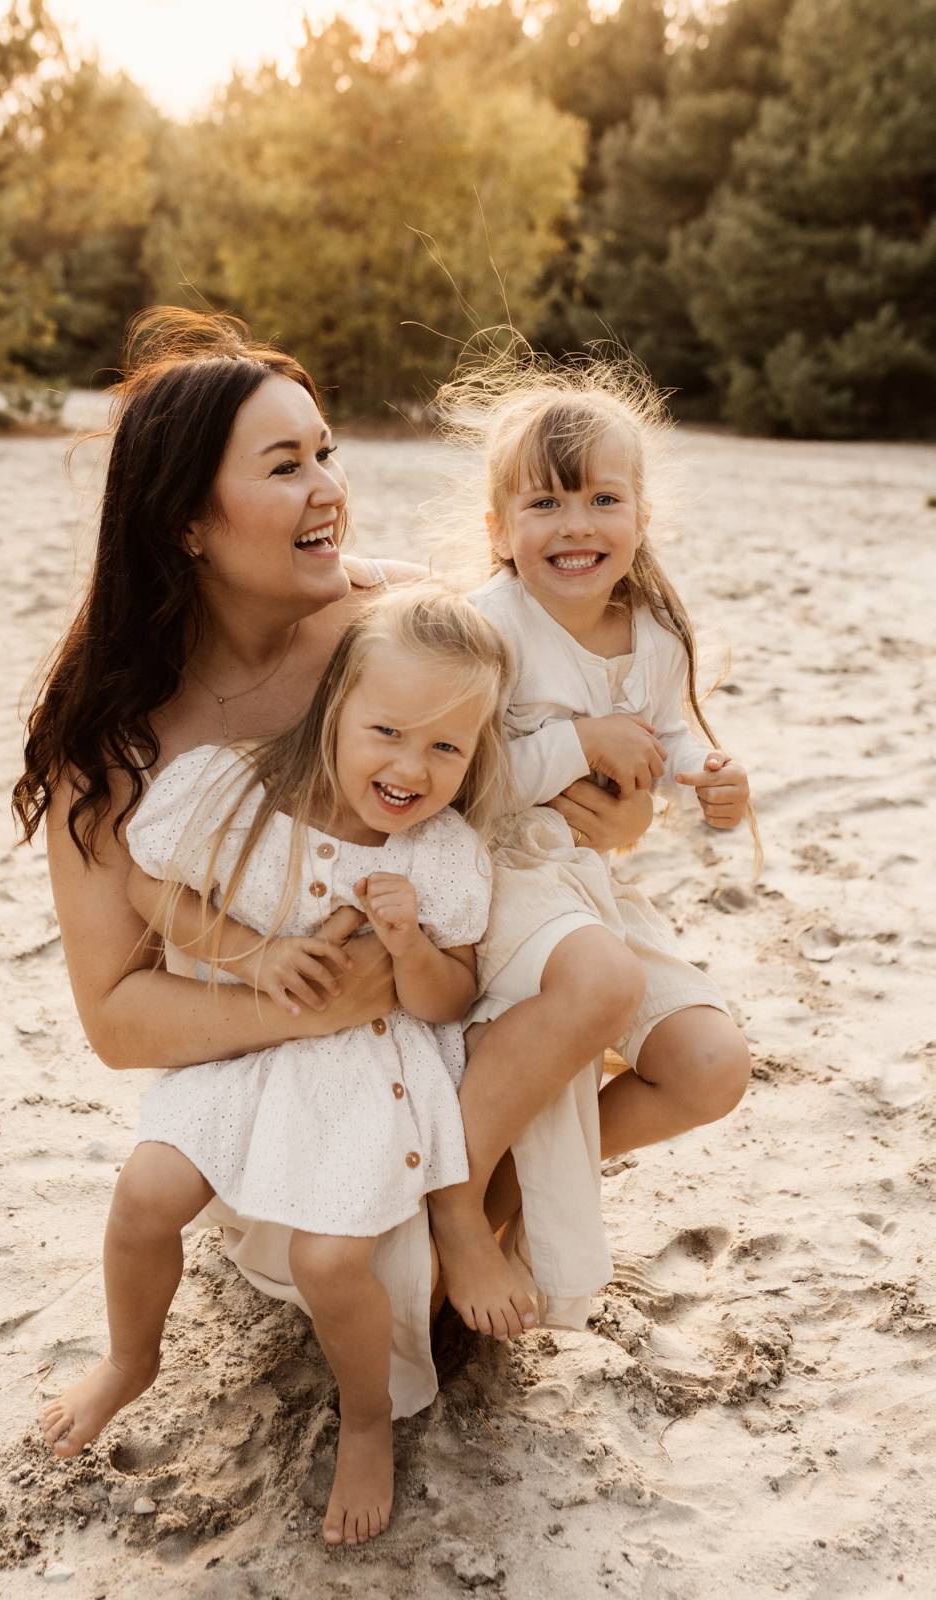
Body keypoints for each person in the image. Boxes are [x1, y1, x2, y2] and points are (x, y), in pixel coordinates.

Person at [12, 308, 652, 1540]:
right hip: (263, 1056)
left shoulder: (404, 629)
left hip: (431, 1022)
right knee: (303, 1248)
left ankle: (476, 1217)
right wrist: (302, 991)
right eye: (285, 465)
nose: (329, 489)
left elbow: (581, 822)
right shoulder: (116, 740)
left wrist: (605, 812)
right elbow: (114, 1017)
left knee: (557, 963)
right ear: (186, 522)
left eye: (327, 453)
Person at [38, 587, 512, 1546]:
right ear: (335, 704)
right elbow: (149, 882)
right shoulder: (234, 789)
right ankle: (131, 1357)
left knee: (328, 1257)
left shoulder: (440, 855)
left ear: (475, 753)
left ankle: (368, 1419)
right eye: (386, 730)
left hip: (365, 1066)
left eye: (445, 748)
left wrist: (408, 942)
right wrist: (253, 955)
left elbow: (449, 1001)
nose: (409, 766)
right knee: (142, 1194)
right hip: (249, 1050)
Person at [424, 353, 755, 1341]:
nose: (574, 525)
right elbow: (453, 777)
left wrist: (714, 781)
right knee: (597, 971)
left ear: (641, 516)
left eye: (601, 498)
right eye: (544, 503)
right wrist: (576, 744)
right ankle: (459, 1203)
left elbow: (678, 733)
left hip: (590, 880)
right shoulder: (487, 627)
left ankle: (529, 1182)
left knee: (711, 1063)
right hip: (499, 878)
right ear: (497, 528)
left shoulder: (652, 630)